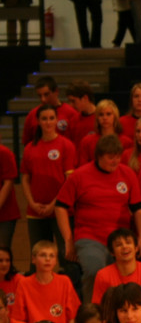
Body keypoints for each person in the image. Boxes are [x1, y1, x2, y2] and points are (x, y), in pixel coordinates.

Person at [55, 134, 141, 301]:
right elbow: (60, 206)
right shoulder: (80, 175)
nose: (115, 161)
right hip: (89, 236)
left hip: (119, 238)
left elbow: (138, 209)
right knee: (94, 270)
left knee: (122, 276)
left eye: (118, 157)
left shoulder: (128, 174)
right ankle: (93, 310)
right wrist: (68, 239)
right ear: (98, 156)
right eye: (111, 158)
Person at [20, 105, 76, 257]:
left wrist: (54, 204)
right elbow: (25, 179)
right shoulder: (30, 148)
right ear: (38, 121)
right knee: (38, 257)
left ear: (57, 120)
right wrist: (32, 203)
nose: (48, 122)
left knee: (67, 256)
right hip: (36, 211)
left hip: (61, 211)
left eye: (52, 118)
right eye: (44, 119)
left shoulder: (66, 145)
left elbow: (69, 180)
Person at [13, 240, 80, 323]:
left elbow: (73, 316)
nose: (47, 259)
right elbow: (19, 319)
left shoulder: (64, 281)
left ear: (56, 261)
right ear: (33, 259)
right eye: (43, 255)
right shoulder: (24, 283)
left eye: (52, 256)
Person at [91, 228, 141, 303]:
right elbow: (98, 306)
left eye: (128, 243)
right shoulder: (103, 276)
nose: (124, 247)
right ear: (112, 252)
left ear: (136, 248)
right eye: (119, 245)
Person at [22, 76, 79, 147]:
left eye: (46, 94)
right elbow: (27, 143)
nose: (43, 99)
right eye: (40, 96)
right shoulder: (33, 114)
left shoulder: (71, 113)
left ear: (56, 92)